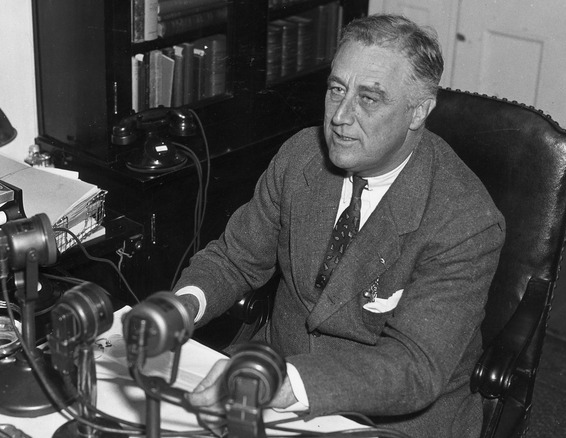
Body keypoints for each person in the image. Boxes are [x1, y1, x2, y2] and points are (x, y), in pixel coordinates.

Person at [173, 14, 505, 438]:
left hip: (393, 417)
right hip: (273, 373)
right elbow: (236, 259)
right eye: (336, 90)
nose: (340, 117)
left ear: (418, 111)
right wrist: (182, 305)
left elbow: (414, 367)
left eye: (370, 98)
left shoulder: (466, 220)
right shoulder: (300, 156)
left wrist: (291, 380)